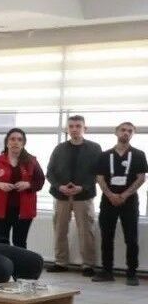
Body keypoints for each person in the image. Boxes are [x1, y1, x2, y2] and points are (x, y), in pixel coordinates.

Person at [46, 115, 102, 274]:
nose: (74, 129)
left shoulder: (94, 148)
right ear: (67, 129)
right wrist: (60, 186)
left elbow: (98, 173)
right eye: (71, 126)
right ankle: (61, 262)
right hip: (61, 195)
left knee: (86, 231)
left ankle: (88, 265)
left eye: (78, 126)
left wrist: (82, 187)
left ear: (85, 128)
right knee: (60, 230)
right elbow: (50, 172)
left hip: (83, 196)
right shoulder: (59, 148)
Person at [93, 121, 147, 284]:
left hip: (129, 201)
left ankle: (132, 273)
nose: (126, 133)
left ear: (133, 134)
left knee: (131, 238)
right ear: (116, 132)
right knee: (106, 237)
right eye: (123, 130)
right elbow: (100, 177)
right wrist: (110, 195)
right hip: (108, 200)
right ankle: (107, 271)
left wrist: (124, 195)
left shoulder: (138, 154)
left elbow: (141, 178)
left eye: (130, 131)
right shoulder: (105, 155)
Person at [0, 128, 45, 248]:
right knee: (1, 242)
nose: (16, 142)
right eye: (12, 139)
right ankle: (4, 261)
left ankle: (20, 261)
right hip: (1, 210)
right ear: (7, 142)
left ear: (23, 143)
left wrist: (28, 185)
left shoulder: (32, 161)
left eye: (19, 139)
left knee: (20, 243)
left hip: (24, 210)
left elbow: (40, 181)